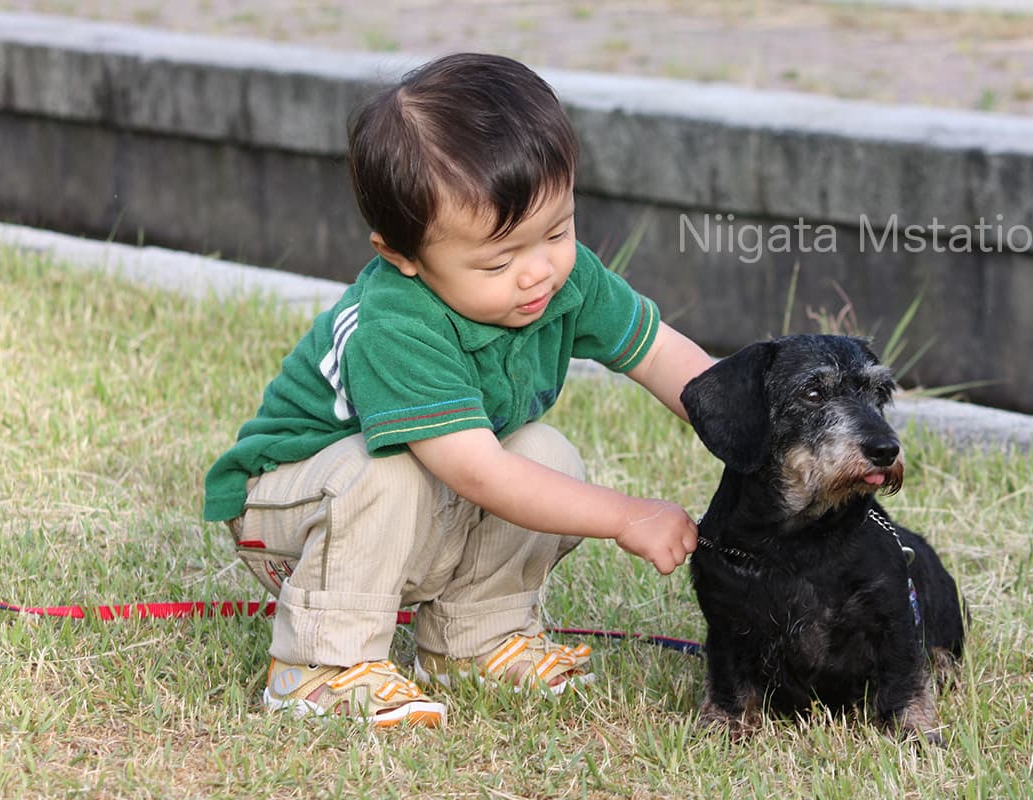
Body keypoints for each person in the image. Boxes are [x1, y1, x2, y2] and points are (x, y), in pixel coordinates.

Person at [203, 52, 715, 729]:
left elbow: (665, 358)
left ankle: (476, 640)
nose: (538, 272)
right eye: (498, 260)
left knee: (545, 452)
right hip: (296, 512)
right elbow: (476, 473)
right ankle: (318, 667)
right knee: (386, 470)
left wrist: (752, 429)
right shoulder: (395, 322)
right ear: (403, 256)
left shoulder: (565, 276)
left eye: (557, 231)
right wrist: (626, 515)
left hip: (418, 503)